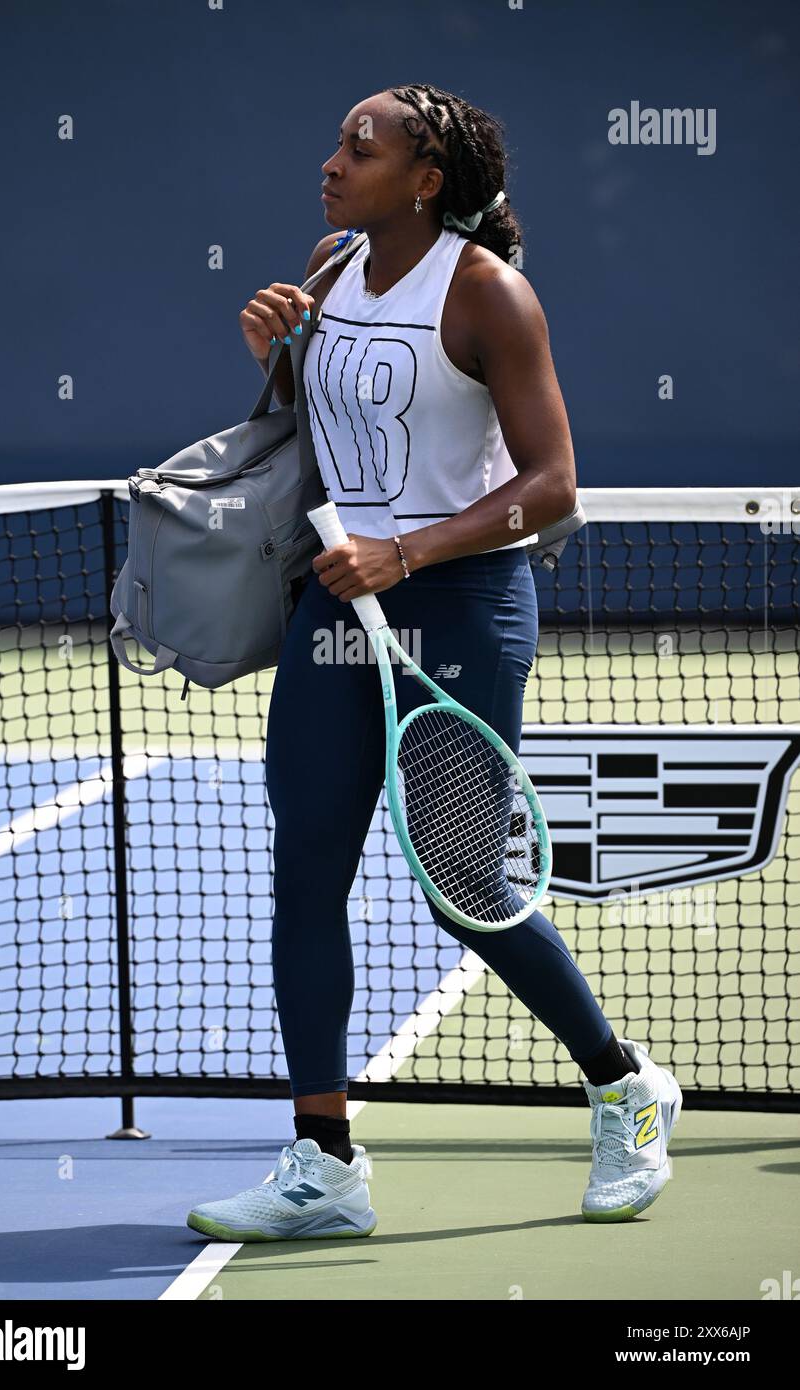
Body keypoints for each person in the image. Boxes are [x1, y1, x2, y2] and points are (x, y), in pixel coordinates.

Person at [187, 83, 681, 1243]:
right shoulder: (328, 263)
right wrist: (273, 351)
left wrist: (403, 554)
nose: (332, 162)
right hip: (334, 603)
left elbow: (552, 486)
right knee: (305, 872)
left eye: (360, 148)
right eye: (334, 142)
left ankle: (621, 1088)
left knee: (462, 882)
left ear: (425, 179)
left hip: (455, 606)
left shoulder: (484, 293)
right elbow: (323, 425)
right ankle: (324, 1162)